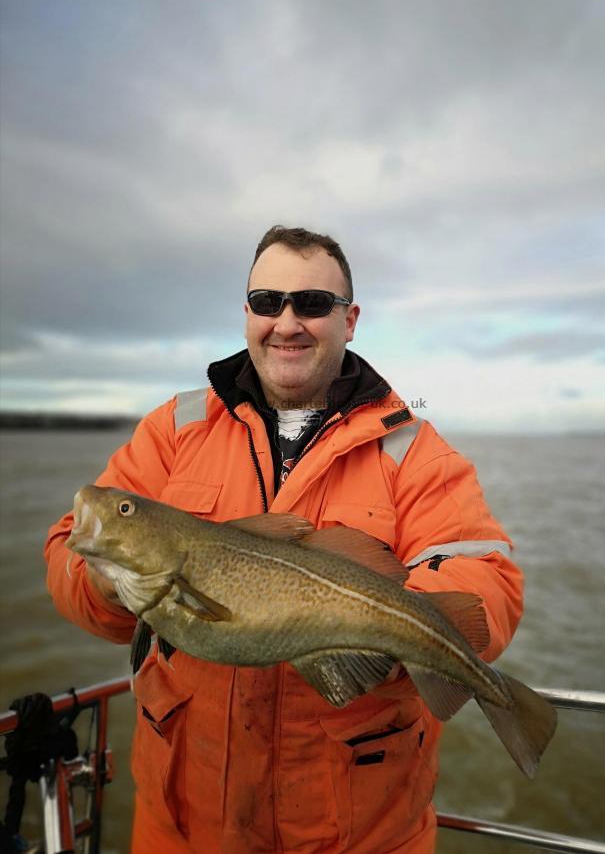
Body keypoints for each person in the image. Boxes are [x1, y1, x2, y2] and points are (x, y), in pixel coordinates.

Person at [44, 225, 523, 854]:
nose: (287, 321)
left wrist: (371, 627)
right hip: (180, 829)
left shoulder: (415, 451)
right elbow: (64, 560)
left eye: (313, 304)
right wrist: (111, 578)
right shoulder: (175, 429)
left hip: (359, 836)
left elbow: (486, 579)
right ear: (246, 314)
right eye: (268, 302)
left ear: (350, 320)